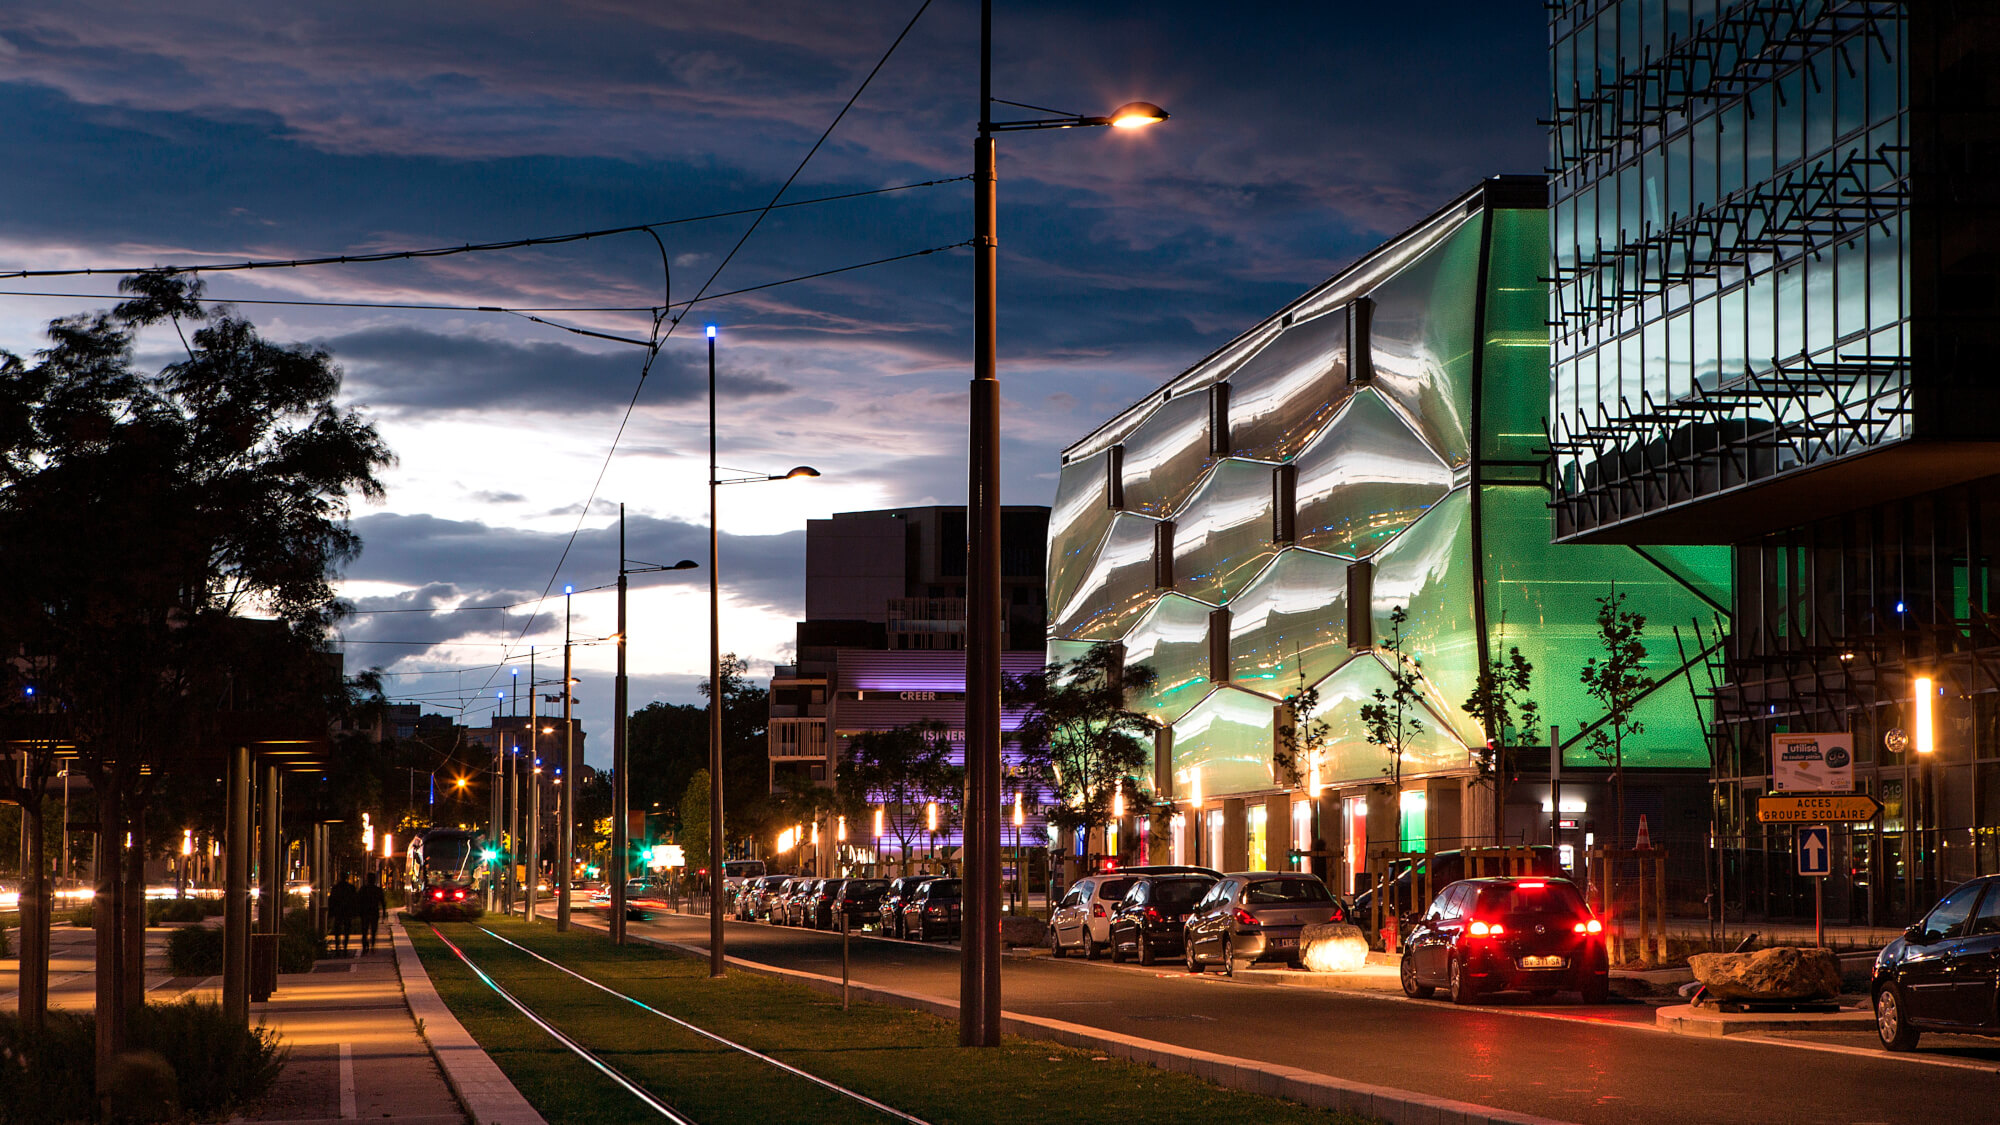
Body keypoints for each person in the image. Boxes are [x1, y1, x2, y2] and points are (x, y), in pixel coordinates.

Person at [357, 873, 387, 953]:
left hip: (365, 913)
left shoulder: (363, 889)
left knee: (364, 930)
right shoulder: (377, 890)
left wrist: (358, 912)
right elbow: (382, 902)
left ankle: (365, 945)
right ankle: (372, 945)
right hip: (374, 912)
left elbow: (358, 901)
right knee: (373, 930)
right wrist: (384, 913)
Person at [328, 874, 357, 955]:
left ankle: (337, 947)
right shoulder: (351, 888)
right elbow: (354, 900)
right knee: (347, 930)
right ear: (346, 878)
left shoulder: (336, 888)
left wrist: (330, 913)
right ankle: (345, 947)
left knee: (337, 930)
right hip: (347, 912)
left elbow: (331, 900)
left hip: (338, 912)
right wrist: (354, 913)